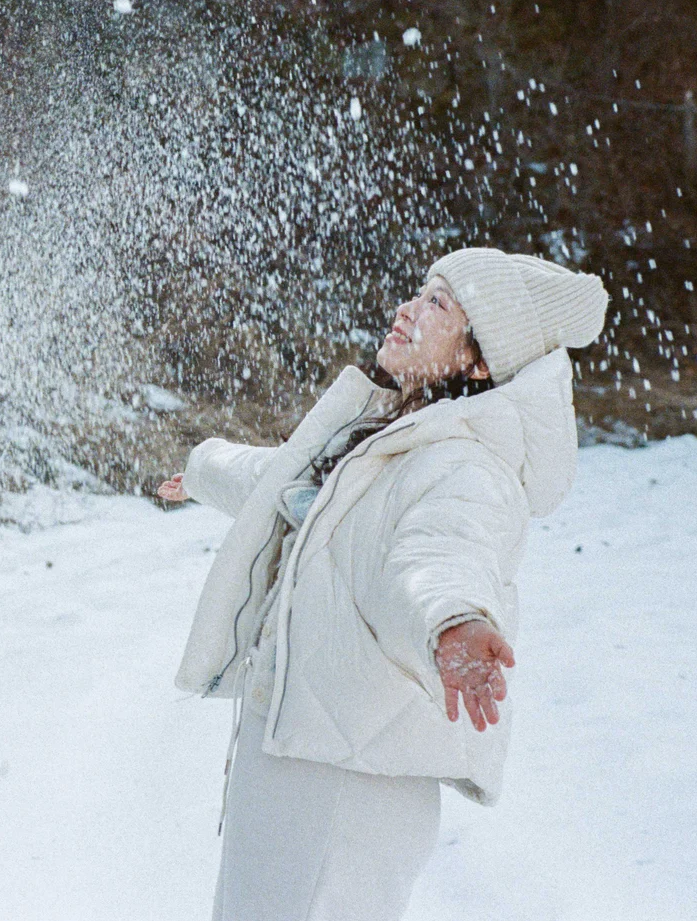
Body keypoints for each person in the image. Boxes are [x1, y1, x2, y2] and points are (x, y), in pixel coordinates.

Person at [157, 249, 607, 921]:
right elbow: (285, 484)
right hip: (303, 764)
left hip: (344, 792)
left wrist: (452, 618)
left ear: (479, 361)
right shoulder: (388, 441)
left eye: (437, 304)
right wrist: (202, 470)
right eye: (419, 292)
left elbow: (440, 554)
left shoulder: (465, 466)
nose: (407, 310)